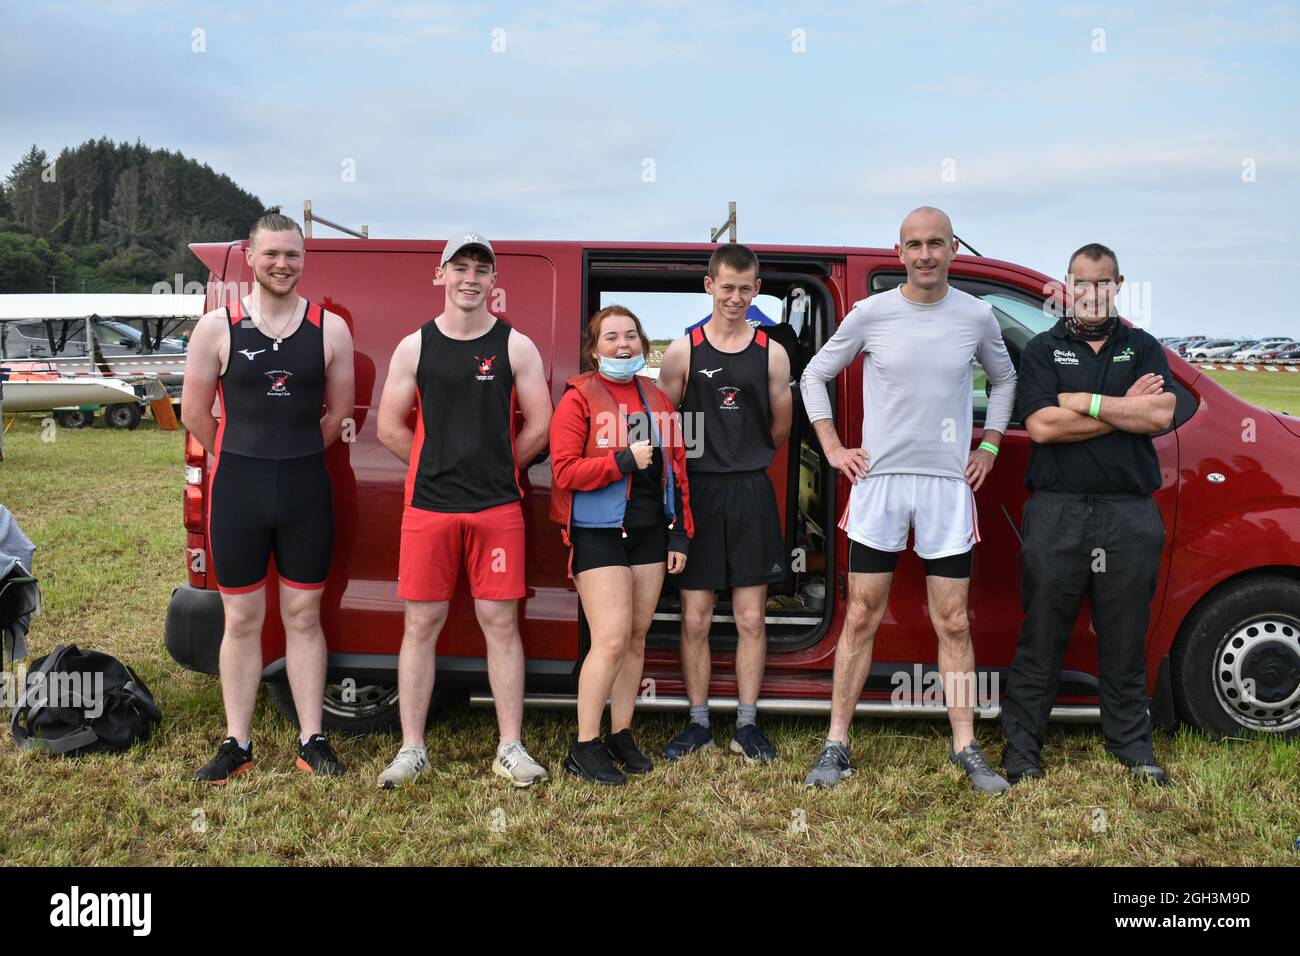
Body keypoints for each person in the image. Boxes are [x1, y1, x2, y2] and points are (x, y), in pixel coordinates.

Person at [799, 206, 1017, 793]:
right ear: (899, 252)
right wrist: (835, 448)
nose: (925, 255)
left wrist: (991, 447)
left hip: (947, 488)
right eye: (914, 245)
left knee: (953, 621)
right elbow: (813, 376)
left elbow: (1006, 380)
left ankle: (967, 747)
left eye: (936, 244)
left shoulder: (976, 316)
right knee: (862, 614)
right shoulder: (871, 313)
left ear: (953, 250)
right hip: (881, 487)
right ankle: (837, 742)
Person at [375, 231, 553, 789]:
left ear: (493, 280)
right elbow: (387, 425)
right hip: (428, 508)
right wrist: (433, 463)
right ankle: (411, 749)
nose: (470, 278)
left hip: (497, 508)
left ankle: (509, 747)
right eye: (461, 268)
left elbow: (541, 424)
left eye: (481, 269)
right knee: (421, 622)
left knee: (500, 623)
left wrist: (502, 468)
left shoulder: (516, 345)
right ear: (441, 275)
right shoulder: (415, 346)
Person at [183, 210, 355, 783]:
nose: (283, 264)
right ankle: (237, 741)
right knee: (242, 617)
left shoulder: (330, 330)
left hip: (307, 487)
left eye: (293, 255)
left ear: (305, 261)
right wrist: (238, 455)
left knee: (304, 615)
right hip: (239, 489)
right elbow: (193, 414)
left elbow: (338, 416)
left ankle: (313, 738)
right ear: (251, 258)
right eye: (272, 254)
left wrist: (295, 452)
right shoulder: (217, 327)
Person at [1000, 243, 1175, 786]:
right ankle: (1023, 750)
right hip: (1059, 513)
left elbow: (1162, 414)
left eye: (1102, 283)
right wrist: (1126, 410)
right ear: (1067, 286)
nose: (1091, 293)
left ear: (1118, 284)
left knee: (1125, 638)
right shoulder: (1043, 349)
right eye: (1081, 283)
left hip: (1129, 515)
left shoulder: (1143, 348)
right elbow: (1045, 427)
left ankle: (1132, 749)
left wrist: (1084, 401)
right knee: (1042, 635)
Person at [655, 243, 792, 763]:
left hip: (751, 490)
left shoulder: (771, 353)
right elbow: (668, 425)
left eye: (746, 288)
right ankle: (696, 721)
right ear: (709, 286)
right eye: (727, 287)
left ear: (757, 289)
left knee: (751, 617)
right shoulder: (682, 350)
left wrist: (741, 454)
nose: (736, 297)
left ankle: (747, 723)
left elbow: (778, 429)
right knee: (695, 617)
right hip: (699, 493)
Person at [549, 305, 694, 785]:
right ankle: (584, 744)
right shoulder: (578, 398)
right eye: (611, 338)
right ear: (595, 349)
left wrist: (679, 532)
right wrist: (621, 461)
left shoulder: (657, 397)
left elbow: (676, 469)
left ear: (643, 343)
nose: (623, 345)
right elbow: (565, 472)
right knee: (609, 638)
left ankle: (621, 733)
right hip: (599, 533)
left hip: (651, 533)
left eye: (631, 336)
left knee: (635, 637)